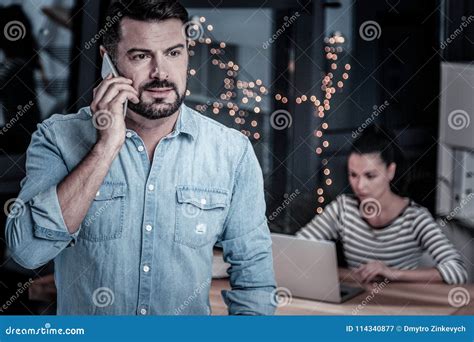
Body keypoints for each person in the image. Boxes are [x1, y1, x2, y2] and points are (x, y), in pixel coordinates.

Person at [6, 0, 276, 315]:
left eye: (174, 53)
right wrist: (106, 146)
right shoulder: (57, 138)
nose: (161, 73)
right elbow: (27, 252)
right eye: (141, 56)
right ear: (109, 64)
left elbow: (254, 282)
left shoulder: (232, 151)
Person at [296, 125, 468, 284]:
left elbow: (457, 271)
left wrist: (392, 273)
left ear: (390, 171)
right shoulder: (342, 209)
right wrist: (351, 275)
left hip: (399, 307)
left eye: (370, 176)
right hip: (355, 303)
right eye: (353, 175)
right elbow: (296, 248)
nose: (360, 186)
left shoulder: (414, 217)